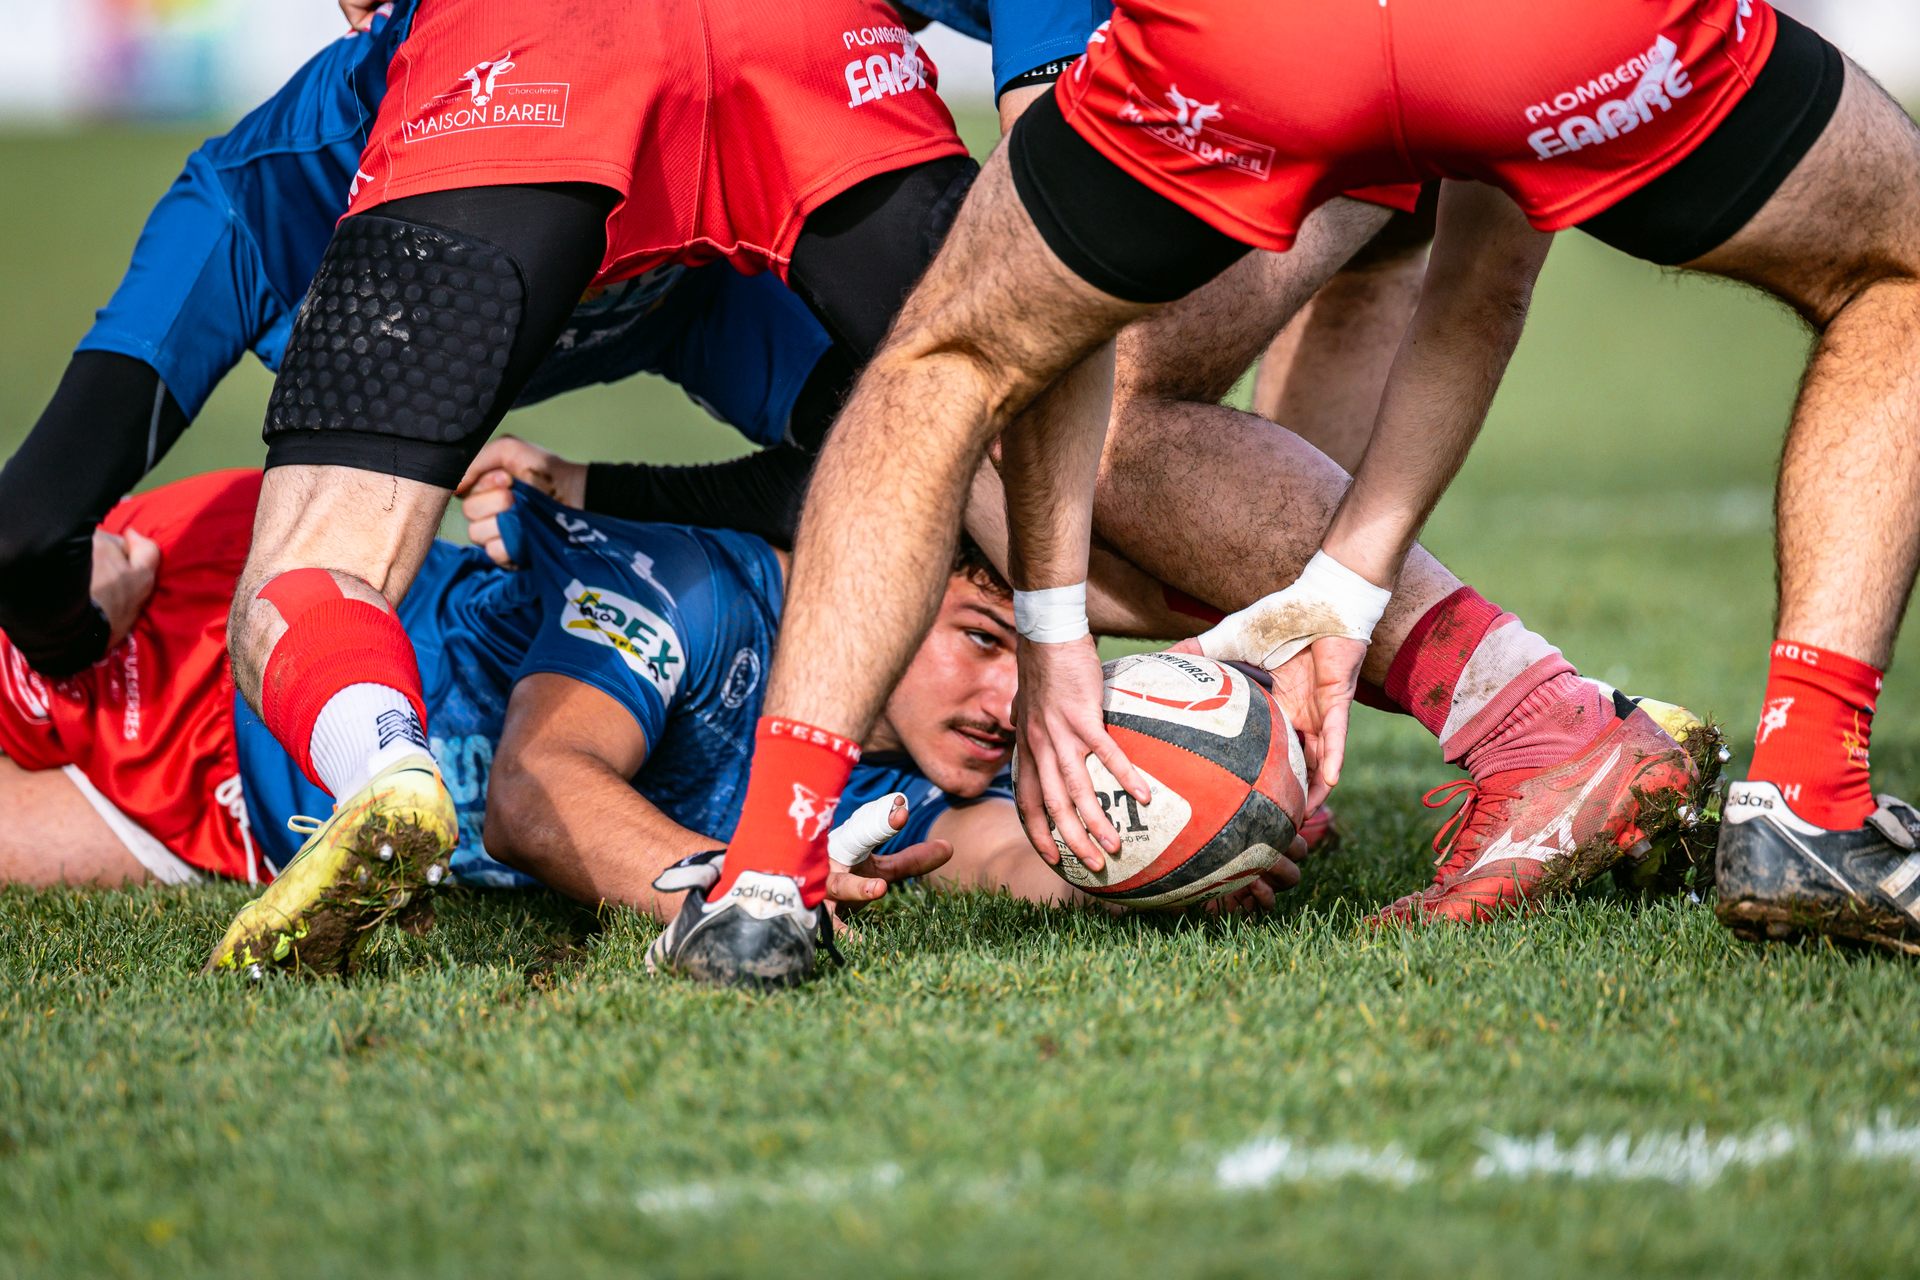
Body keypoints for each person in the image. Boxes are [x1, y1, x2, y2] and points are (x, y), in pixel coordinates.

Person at [695, 0, 1920, 978]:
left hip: (1262, 37)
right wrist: (1337, 585)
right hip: (1544, 35)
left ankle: (761, 878)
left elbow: (1059, 288)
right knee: (1896, 265)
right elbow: (1485, 280)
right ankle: (1809, 794)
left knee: (957, 362)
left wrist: (1052, 620)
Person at [0, 1, 845, 685]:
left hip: (683, 275)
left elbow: (26, 541)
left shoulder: (688, 204)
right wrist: (80, 633)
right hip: (673, 271)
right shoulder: (250, 204)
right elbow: (24, 535)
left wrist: (598, 493)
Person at [0, 470, 1084, 967]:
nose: (1006, 702)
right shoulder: (703, 594)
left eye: (1029, 664)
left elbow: (1020, 855)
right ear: (886, 579)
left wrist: (1153, 836)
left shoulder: (910, 772)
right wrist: (746, 888)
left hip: (237, 823)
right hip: (224, 634)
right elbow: (532, 793)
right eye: (983, 639)